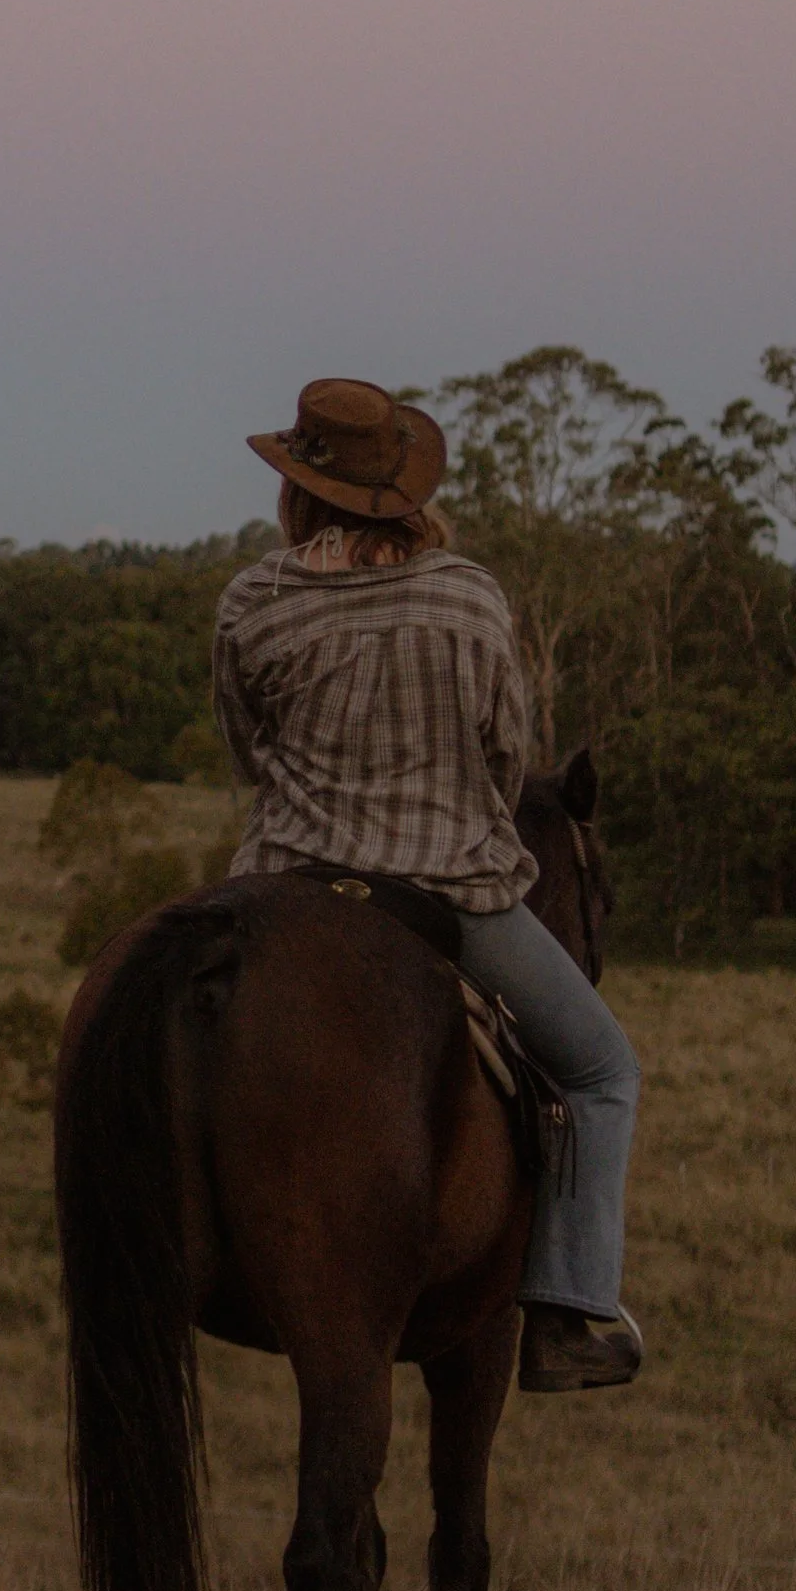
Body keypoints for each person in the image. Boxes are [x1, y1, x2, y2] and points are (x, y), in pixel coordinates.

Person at [217, 377, 643, 1393]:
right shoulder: (467, 594)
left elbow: (248, 756)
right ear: (401, 490)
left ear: (295, 488)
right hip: (444, 891)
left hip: (285, 889)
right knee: (599, 1072)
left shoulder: (252, 600)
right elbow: (505, 760)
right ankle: (567, 1313)